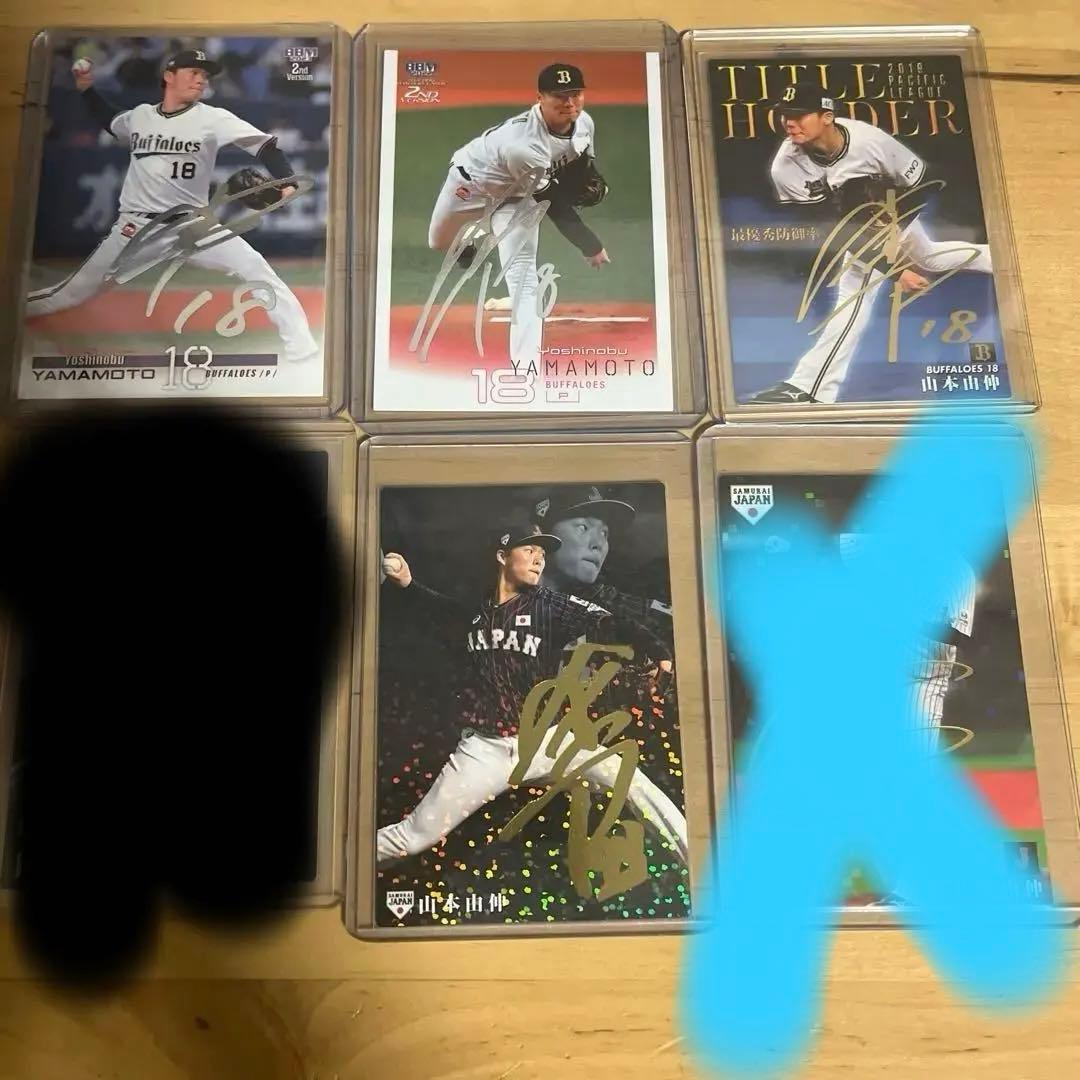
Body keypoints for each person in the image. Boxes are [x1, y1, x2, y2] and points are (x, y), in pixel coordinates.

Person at [376, 521, 687, 868]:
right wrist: (408, 584)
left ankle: (703, 864)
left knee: (632, 783)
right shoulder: (476, 611)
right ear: (502, 556)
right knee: (413, 838)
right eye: (529, 550)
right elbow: (440, 608)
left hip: (549, 743)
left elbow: (613, 622)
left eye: (542, 553)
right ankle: (346, 859)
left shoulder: (551, 606)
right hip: (486, 751)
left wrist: (658, 650)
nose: (539, 559)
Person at [27, 48, 319, 364]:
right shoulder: (140, 116)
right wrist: (86, 88)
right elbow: (109, 119)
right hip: (136, 229)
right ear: (169, 76)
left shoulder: (213, 118)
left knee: (255, 267)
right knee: (70, 294)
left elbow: (266, 146)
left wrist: (287, 180)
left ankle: (303, 353)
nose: (201, 79)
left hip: (192, 225)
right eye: (193, 72)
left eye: (204, 75)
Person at [749, 81, 993, 405]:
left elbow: (926, 183)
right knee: (930, 258)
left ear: (827, 116)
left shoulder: (870, 141)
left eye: (799, 114)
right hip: (852, 224)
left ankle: (811, 389)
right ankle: (998, 258)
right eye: (784, 115)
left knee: (854, 296)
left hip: (894, 210)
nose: (789, 122)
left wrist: (892, 229)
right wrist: (895, 268)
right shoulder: (786, 165)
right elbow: (830, 226)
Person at [425, 62, 612, 370]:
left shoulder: (584, 122)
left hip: (517, 198)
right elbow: (553, 204)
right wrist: (590, 245)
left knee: (523, 277)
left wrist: (584, 180)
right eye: (559, 96)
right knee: (439, 241)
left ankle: (526, 370)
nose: (569, 102)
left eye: (575, 93)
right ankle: (470, 238)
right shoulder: (523, 146)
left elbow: (580, 162)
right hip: (471, 188)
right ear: (540, 98)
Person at [531, 485, 673, 644]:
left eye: (604, 533)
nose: (598, 544)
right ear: (540, 533)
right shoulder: (511, 600)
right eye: (583, 527)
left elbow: (669, 615)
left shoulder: (603, 600)